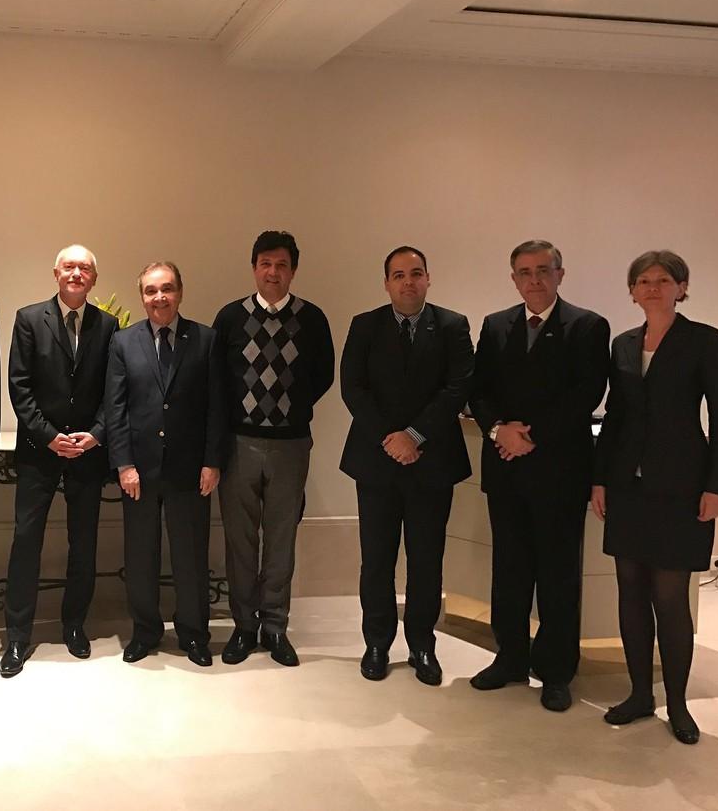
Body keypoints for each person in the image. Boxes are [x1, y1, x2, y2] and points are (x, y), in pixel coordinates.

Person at [591, 250, 718, 744]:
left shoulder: (704, 340)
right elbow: (614, 418)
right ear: (632, 291)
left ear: (681, 287)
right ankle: (638, 695)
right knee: (630, 592)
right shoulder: (623, 344)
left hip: (682, 488)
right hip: (627, 488)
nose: (652, 288)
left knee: (671, 599)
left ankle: (677, 704)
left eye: (662, 280)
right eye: (643, 281)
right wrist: (599, 479)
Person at [469, 240, 609, 712]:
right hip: (505, 469)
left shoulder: (588, 326)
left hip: (559, 471)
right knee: (509, 569)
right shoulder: (495, 325)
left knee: (557, 574)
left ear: (560, 275)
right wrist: (499, 431)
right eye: (525, 272)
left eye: (543, 270)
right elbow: (479, 390)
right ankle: (509, 658)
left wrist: (529, 436)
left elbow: (587, 393)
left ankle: (555, 670)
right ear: (514, 279)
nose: (534, 280)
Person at [339, 246, 473, 685]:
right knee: (376, 560)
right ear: (386, 283)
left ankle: (422, 645)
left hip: (432, 462)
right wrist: (391, 438)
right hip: (376, 462)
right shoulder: (365, 326)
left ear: (428, 278)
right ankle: (377, 643)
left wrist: (414, 436)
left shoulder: (452, 325)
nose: (408, 282)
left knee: (426, 560)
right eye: (398, 275)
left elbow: (457, 387)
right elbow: (353, 388)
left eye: (416, 273)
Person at [212, 231, 334, 667]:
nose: (273, 272)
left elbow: (322, 376)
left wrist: (288, 408)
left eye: (282, 265)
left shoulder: (312, 319)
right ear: (254, 268)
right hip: (238, 444)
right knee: (240, 541)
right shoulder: (230, 318)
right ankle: (244, 627)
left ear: (293, 270)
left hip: (290, 445)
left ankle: (276, 627)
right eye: (265, 263)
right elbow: (217, 380)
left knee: (282, 539)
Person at [0, 244, 118, 677]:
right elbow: (19, 386)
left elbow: (113, 389)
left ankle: (74, 625)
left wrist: (97, 434)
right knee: (26, 541)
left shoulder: (108, 325)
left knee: (83, 543)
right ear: (56, 273)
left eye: (84, 268)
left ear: (93, 279)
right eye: (69, 266)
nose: (76, 273)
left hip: (88, 452)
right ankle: (17, 636)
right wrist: (49, 437)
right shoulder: (30, 319)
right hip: (39, 452)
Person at [105, 262, 227, 667]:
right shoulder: (123, 342)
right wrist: (124, 464)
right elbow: (115, 408)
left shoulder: (206, 340)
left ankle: (193, 633)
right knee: (140, 555)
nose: (160, 297)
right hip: (139, 471)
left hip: (190, 469)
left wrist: (212, 461)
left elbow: (217, 407)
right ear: (142, 296)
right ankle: (145, 631)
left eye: (167, 289)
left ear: (180, 292)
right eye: (151, 291)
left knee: (191, 556)